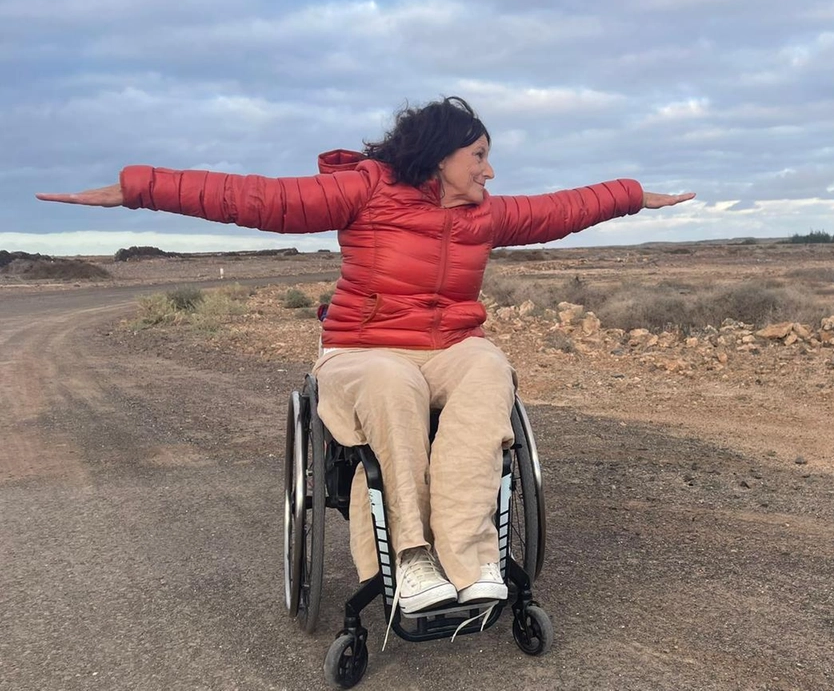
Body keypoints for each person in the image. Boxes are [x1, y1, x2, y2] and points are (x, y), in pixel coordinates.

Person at [37, 96, 694, 615]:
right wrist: (139, 188)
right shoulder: (365, 189)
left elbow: (563, 210)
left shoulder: (485, 214)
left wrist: (632, 195)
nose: (489, 171)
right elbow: (259, 199)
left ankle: (471, 560)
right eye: (480, 156)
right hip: (362, 350)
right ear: (440, 156)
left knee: (489, 364)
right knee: (389, 382)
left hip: (448, 350)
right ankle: (410, 558)